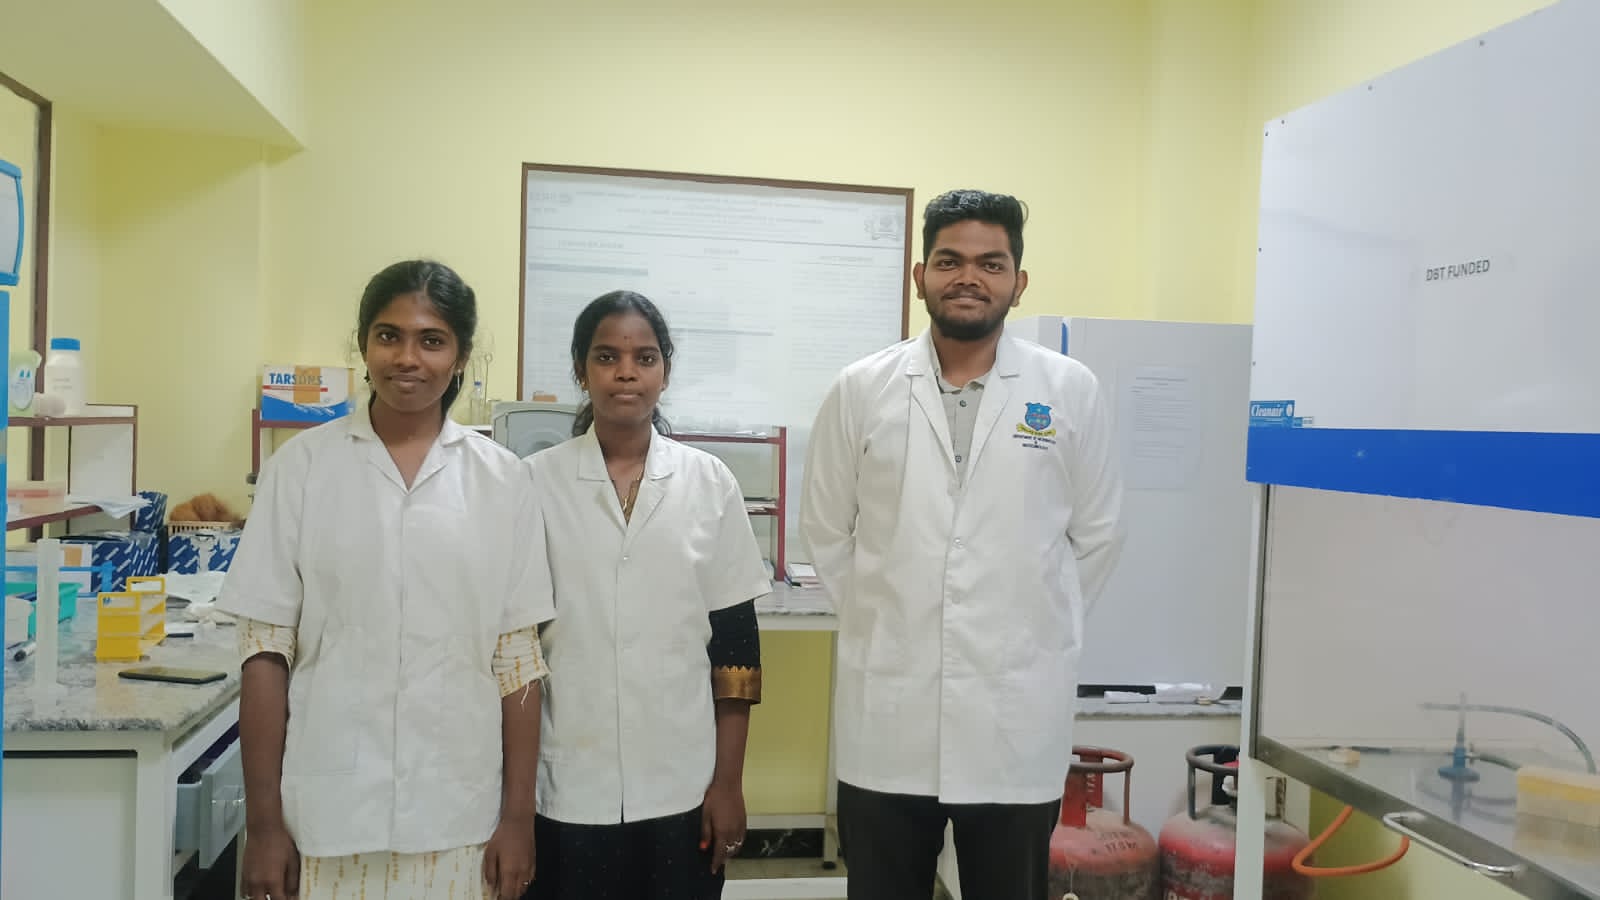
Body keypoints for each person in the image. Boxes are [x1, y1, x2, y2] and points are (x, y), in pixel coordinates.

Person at [800, 189, 1126, 900]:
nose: (968, 277)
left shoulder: (1069, 391)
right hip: (889, 714)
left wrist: (1036, 625)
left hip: (1015, 717)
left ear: (1019, 281)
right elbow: (826, 528)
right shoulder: (861, 389)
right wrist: (887, 616)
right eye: (949, 260)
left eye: (990, 262)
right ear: (921, 275)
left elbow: (1098, 533)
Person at [219, 260, 555, 900]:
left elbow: (518, 661)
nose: (408, 357)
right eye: (388, 335)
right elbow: (264, 655)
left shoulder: (503, 480)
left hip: (461, 818)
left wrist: (518, 819)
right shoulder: (301, 470)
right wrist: (262, 825)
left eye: (432, 340)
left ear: (459, 358)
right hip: (325, 815)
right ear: (363, 345)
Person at [522, 290, 770, 900]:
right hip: (564, 786)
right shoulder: (533, 483)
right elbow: (514, 650)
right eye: (607, 356)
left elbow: (737, 652)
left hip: (682, 786)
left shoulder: (708, 482)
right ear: (581, 370)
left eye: (645, 357)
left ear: (665, 369)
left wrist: (728, 784)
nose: (627, 372)